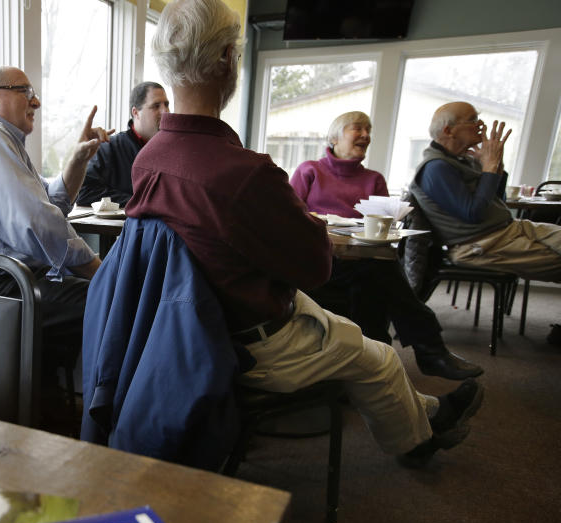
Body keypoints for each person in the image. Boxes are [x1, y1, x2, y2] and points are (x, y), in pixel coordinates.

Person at [126, 0, 483, 468]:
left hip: (188, 326)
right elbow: (316, 267)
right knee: (379, 358)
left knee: (352, 333)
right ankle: (419, 444)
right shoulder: (245, 173)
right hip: (247, 340)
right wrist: (307, 224)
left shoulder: (148, 160)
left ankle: (427, 411)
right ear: (228, 61)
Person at [0, 66, 109, 372]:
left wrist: (79, 158)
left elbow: (51, 204)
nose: (36, 102)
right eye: (26, 92)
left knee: (110, 293)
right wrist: (101, 272)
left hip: (9, 279)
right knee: (119, 302)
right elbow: (35, 222)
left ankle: (57, 402)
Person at [290, 111, 482, 380]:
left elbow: (384, 228)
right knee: (379, 274)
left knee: (372, 277)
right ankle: (427, 349)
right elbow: (289, 221)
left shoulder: (374, 179)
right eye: (357, 129)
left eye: (368, 130)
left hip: (363, 260)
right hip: (322, 261)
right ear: (334, 137)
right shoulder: (309, 170)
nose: (366, 135)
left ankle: (370, 366)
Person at [409, 101, 561, 340]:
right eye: (472, 120)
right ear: (448, 130)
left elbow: (496, 202)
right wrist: (489, 168)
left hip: (509, 230)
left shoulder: (462, 161)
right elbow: (472, 214)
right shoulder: (435, 168)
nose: (480, 125)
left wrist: (494, 167)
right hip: (481, 244)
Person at [77, 81, 170, 207]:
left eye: (166, 104)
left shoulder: (172, 152)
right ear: (135, 112)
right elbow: (84, 192)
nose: (165, 111)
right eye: (156, 106)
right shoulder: (109, 149)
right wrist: (140, 203)